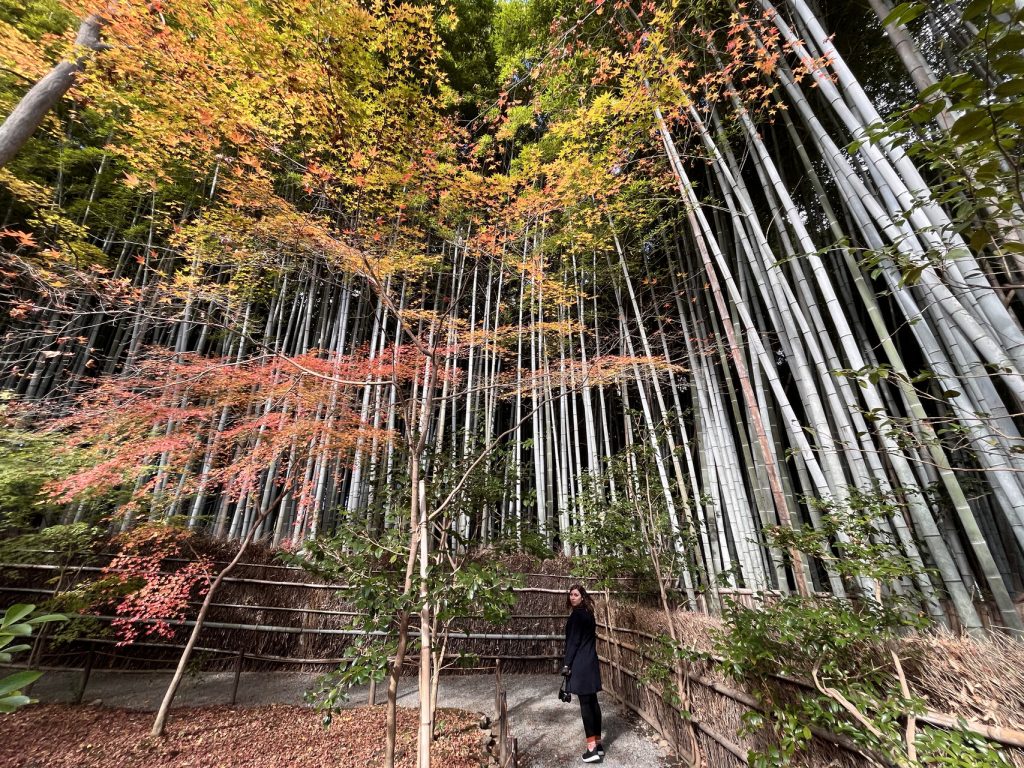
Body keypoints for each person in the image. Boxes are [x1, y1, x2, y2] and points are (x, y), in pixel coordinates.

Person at [561, 583, 604, 763]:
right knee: (593, 703)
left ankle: (591, 749)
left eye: (576, 595)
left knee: (586, 705)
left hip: (580, 664)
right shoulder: (589, 615)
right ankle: (598, 745)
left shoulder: (576, 617)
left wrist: (566, 665)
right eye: (571, 594)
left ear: (582, 597)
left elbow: (573, 643)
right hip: (591, 663)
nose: (572, 597)